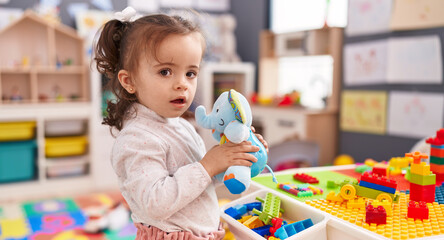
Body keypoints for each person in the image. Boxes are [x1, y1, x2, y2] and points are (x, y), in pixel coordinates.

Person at [94, 7, 268, 240]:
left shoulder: (182, 126)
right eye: (165, 71)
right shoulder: (136, 138)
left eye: (190, 73)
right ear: (129, 81)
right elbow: (154, 202)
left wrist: (232, 161)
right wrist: (207, 165)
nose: (182, 84)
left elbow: (197, 187)